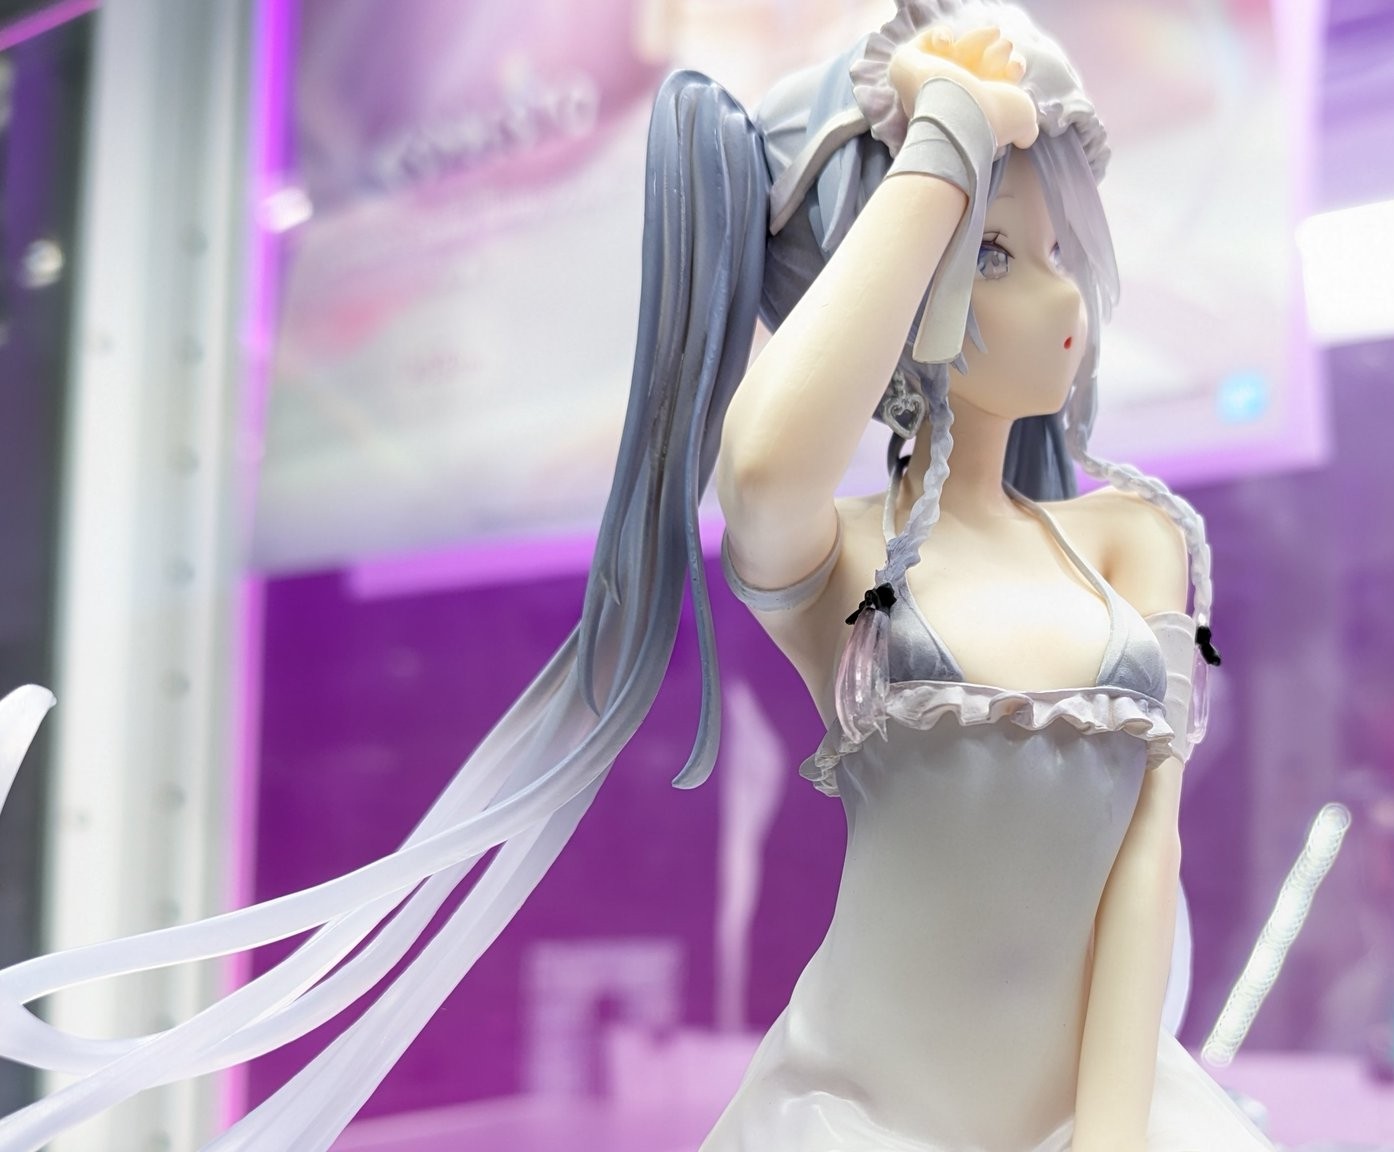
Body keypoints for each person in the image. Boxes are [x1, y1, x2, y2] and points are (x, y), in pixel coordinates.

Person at [0, 2, 1270, 1148]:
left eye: (1054, 249)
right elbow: (764, 462)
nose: (1062, 298)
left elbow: (1143, 856)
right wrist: (942, 140)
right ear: (899, 288)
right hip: (861, 1116)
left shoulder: (1132, 541)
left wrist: (1113, 1136)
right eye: (993, 255)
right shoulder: (845, 559)